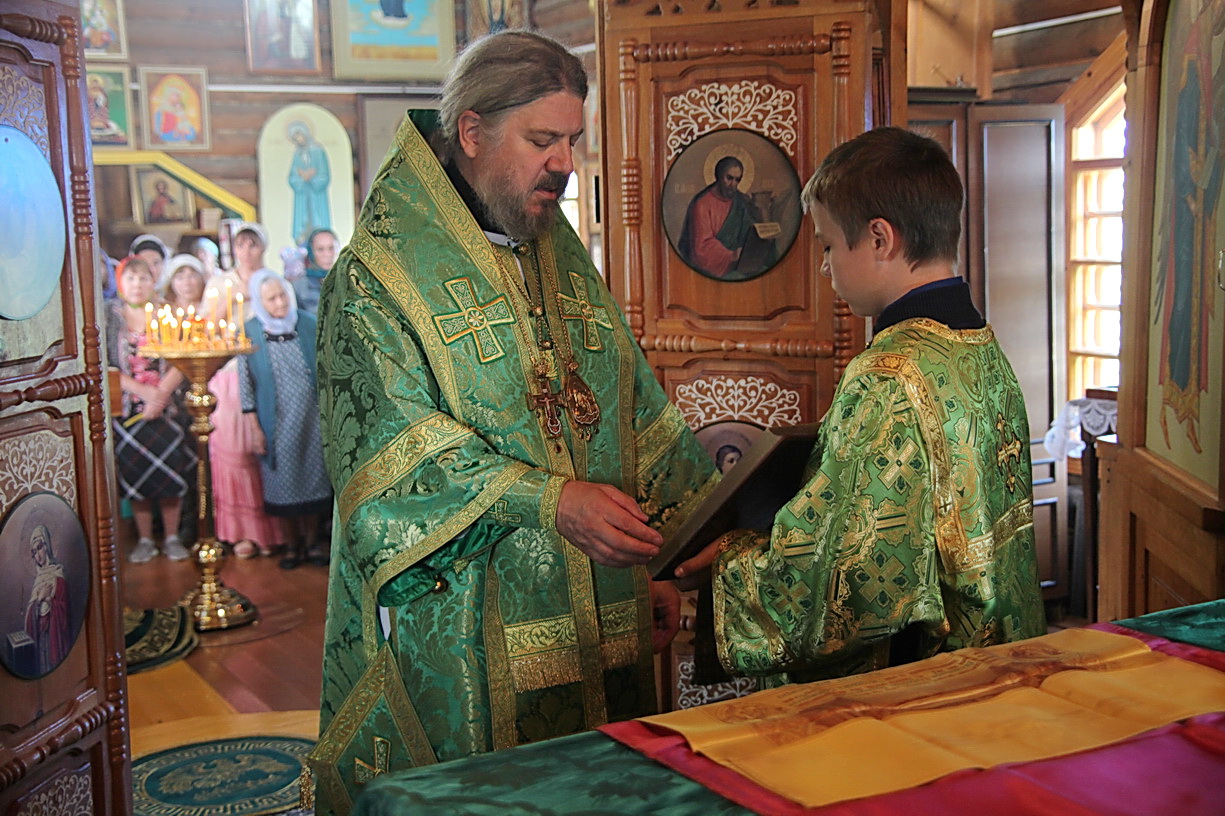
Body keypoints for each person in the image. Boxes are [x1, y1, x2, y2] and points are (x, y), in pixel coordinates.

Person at [308, 30, 717, 813]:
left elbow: (631, 409)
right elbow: (390, 460)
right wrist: (548, 501)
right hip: (469, 627)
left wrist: (661, 562)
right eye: (541, 141)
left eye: (572, 141)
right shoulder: (376, 277)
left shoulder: (557, 254)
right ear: (471, 131)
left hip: (603, 615)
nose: (564, 164)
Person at [676, 127, 1046, 685]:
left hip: (920, 686)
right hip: (993, 662)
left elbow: (846, 584)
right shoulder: (980, 349)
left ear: (879, 238)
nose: (825, 268)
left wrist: (729, 559)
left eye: (828, 245)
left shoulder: (886, 378)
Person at [238, 271, 333, 570]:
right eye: (271, 299)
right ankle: (292, 545)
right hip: (275, 421)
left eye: (282, 295)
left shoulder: (308, 324)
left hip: (312, 419)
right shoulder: (250, 331)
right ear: (260, 302)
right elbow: (246, 385)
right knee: (282, 481)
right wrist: (254, 428)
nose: (279, 303)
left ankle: (314, 542)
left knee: (315, 479)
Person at [106, 256, 196, 564]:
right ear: (120, 282)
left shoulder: (168, 313)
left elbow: (184, 357)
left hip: (167, 407)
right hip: (128, 408)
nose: (137, 285)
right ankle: (145, 539)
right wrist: (143, 392)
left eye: (143, 278)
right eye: (130, 278)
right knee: (136, 475)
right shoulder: (110, 316)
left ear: (153, 281)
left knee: (171, 474)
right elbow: (105, 364)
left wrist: (160, 395)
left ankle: (171, 536)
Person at [204, 223, 284, 558]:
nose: (247, 252)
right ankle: (241, 532)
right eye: (241, 245)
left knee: (266, 450)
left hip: (269, 372)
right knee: (235, 452)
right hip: (231, 373)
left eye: (253, 245)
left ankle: (273, 531)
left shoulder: (272, 280)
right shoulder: (220, 283)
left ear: (263, 248)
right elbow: (207, 330)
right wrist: (230, 303)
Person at [677, 154, 776, 279]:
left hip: (741, 266)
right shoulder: (702, 204)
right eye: (729, 178)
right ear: (719, 176)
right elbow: (701, 248)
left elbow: (750, 231)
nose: (733, 184)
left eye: (737, 180)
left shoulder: (741, 201)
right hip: (714, 270)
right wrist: (732, 255)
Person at [24, 524, 71, 676]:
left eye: (39, 548)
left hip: (55, 634)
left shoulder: (58, 575)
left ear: (47, 546)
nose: (37, 555)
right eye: (34, 552)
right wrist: (39, 600)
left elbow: (64, 610)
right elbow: (30, 614)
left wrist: (50, 600)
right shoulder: (38, 579)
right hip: (41, 637)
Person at [287, 121, 331, 245]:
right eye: (295, 138)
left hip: (317, 196)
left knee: (318, 222)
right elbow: (292, 177)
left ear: (305, 133)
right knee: (303, 223)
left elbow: (324, 175)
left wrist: (312, 177)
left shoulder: (318, 151)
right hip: (302, 197)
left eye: (299, 136)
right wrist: (302, 178)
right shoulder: (297, 154)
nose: (298, 140)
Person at [291, 228, 338, 315]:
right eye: (320, 249)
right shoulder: (299, 285)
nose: (327, 254)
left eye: (331, 248)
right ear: (310, 251)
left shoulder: (346, 279)